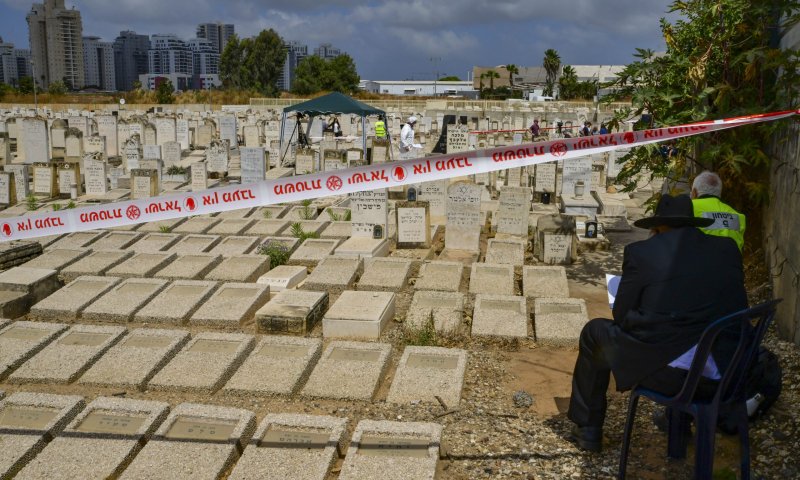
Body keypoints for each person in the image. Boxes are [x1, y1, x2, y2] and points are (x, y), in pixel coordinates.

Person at [566, 194, 748, 452]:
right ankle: (679, 421)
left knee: (594, 331)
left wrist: (643, 315)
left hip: (672, 377)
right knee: (690, 332)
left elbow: (622, 315)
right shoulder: (727, 249)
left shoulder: (643, 254)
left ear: (658, 227)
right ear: (693, 224)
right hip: (729, 372)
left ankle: (588, 429)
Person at [691, 171, 746, 252]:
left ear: (694, 193)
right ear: (719, 193)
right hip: (732, 263)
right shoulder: (738, 216)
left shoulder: (689, 207)